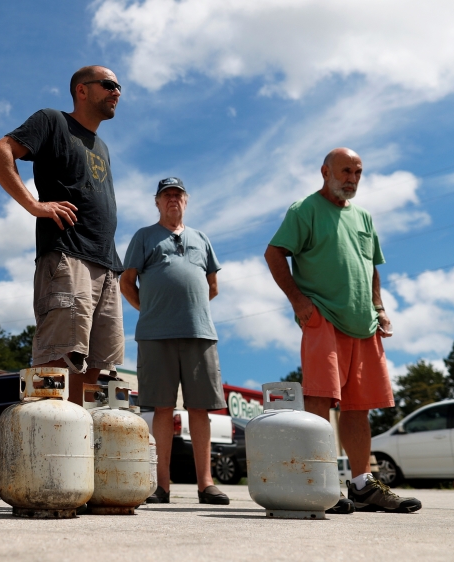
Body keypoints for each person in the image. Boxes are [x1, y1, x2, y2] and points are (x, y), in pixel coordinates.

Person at [264, 148, 422, 514]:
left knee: (359, 406)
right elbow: (274, 253)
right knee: (320, 400)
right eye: (345, 171)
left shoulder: (364, 217)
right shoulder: (304, 209)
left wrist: (379, 307)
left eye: (358, 172)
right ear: (325, 171)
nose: (352, 178)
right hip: (324, 319)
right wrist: (299, 302)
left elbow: (372, 267)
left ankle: (363, 485)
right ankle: (323, 486)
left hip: (364, 323)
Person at [0, 65, 124, 404]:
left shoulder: (101, 147)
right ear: (82, 90)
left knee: (97, 370)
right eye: (108, 85)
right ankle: (43, 447)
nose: (117, 92)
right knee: (57, 358)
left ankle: (75, 448)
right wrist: (34, 204)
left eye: (119, 87)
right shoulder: (52, 120)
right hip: (67, 255)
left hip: (106, 266)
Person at [120, 177, 228, 505]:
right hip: (155, 334)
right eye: (166, 195)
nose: (172, 200)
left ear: (186, 200)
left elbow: (213, 286)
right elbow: (127, 283)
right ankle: (161, 486)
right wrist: (152, 308)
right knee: (162, 408)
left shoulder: (201, 238)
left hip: (200, 333)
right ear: (157, 202)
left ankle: (206, 485)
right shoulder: (144, 236)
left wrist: (188, 308)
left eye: (177, 195)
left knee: (200, 408)